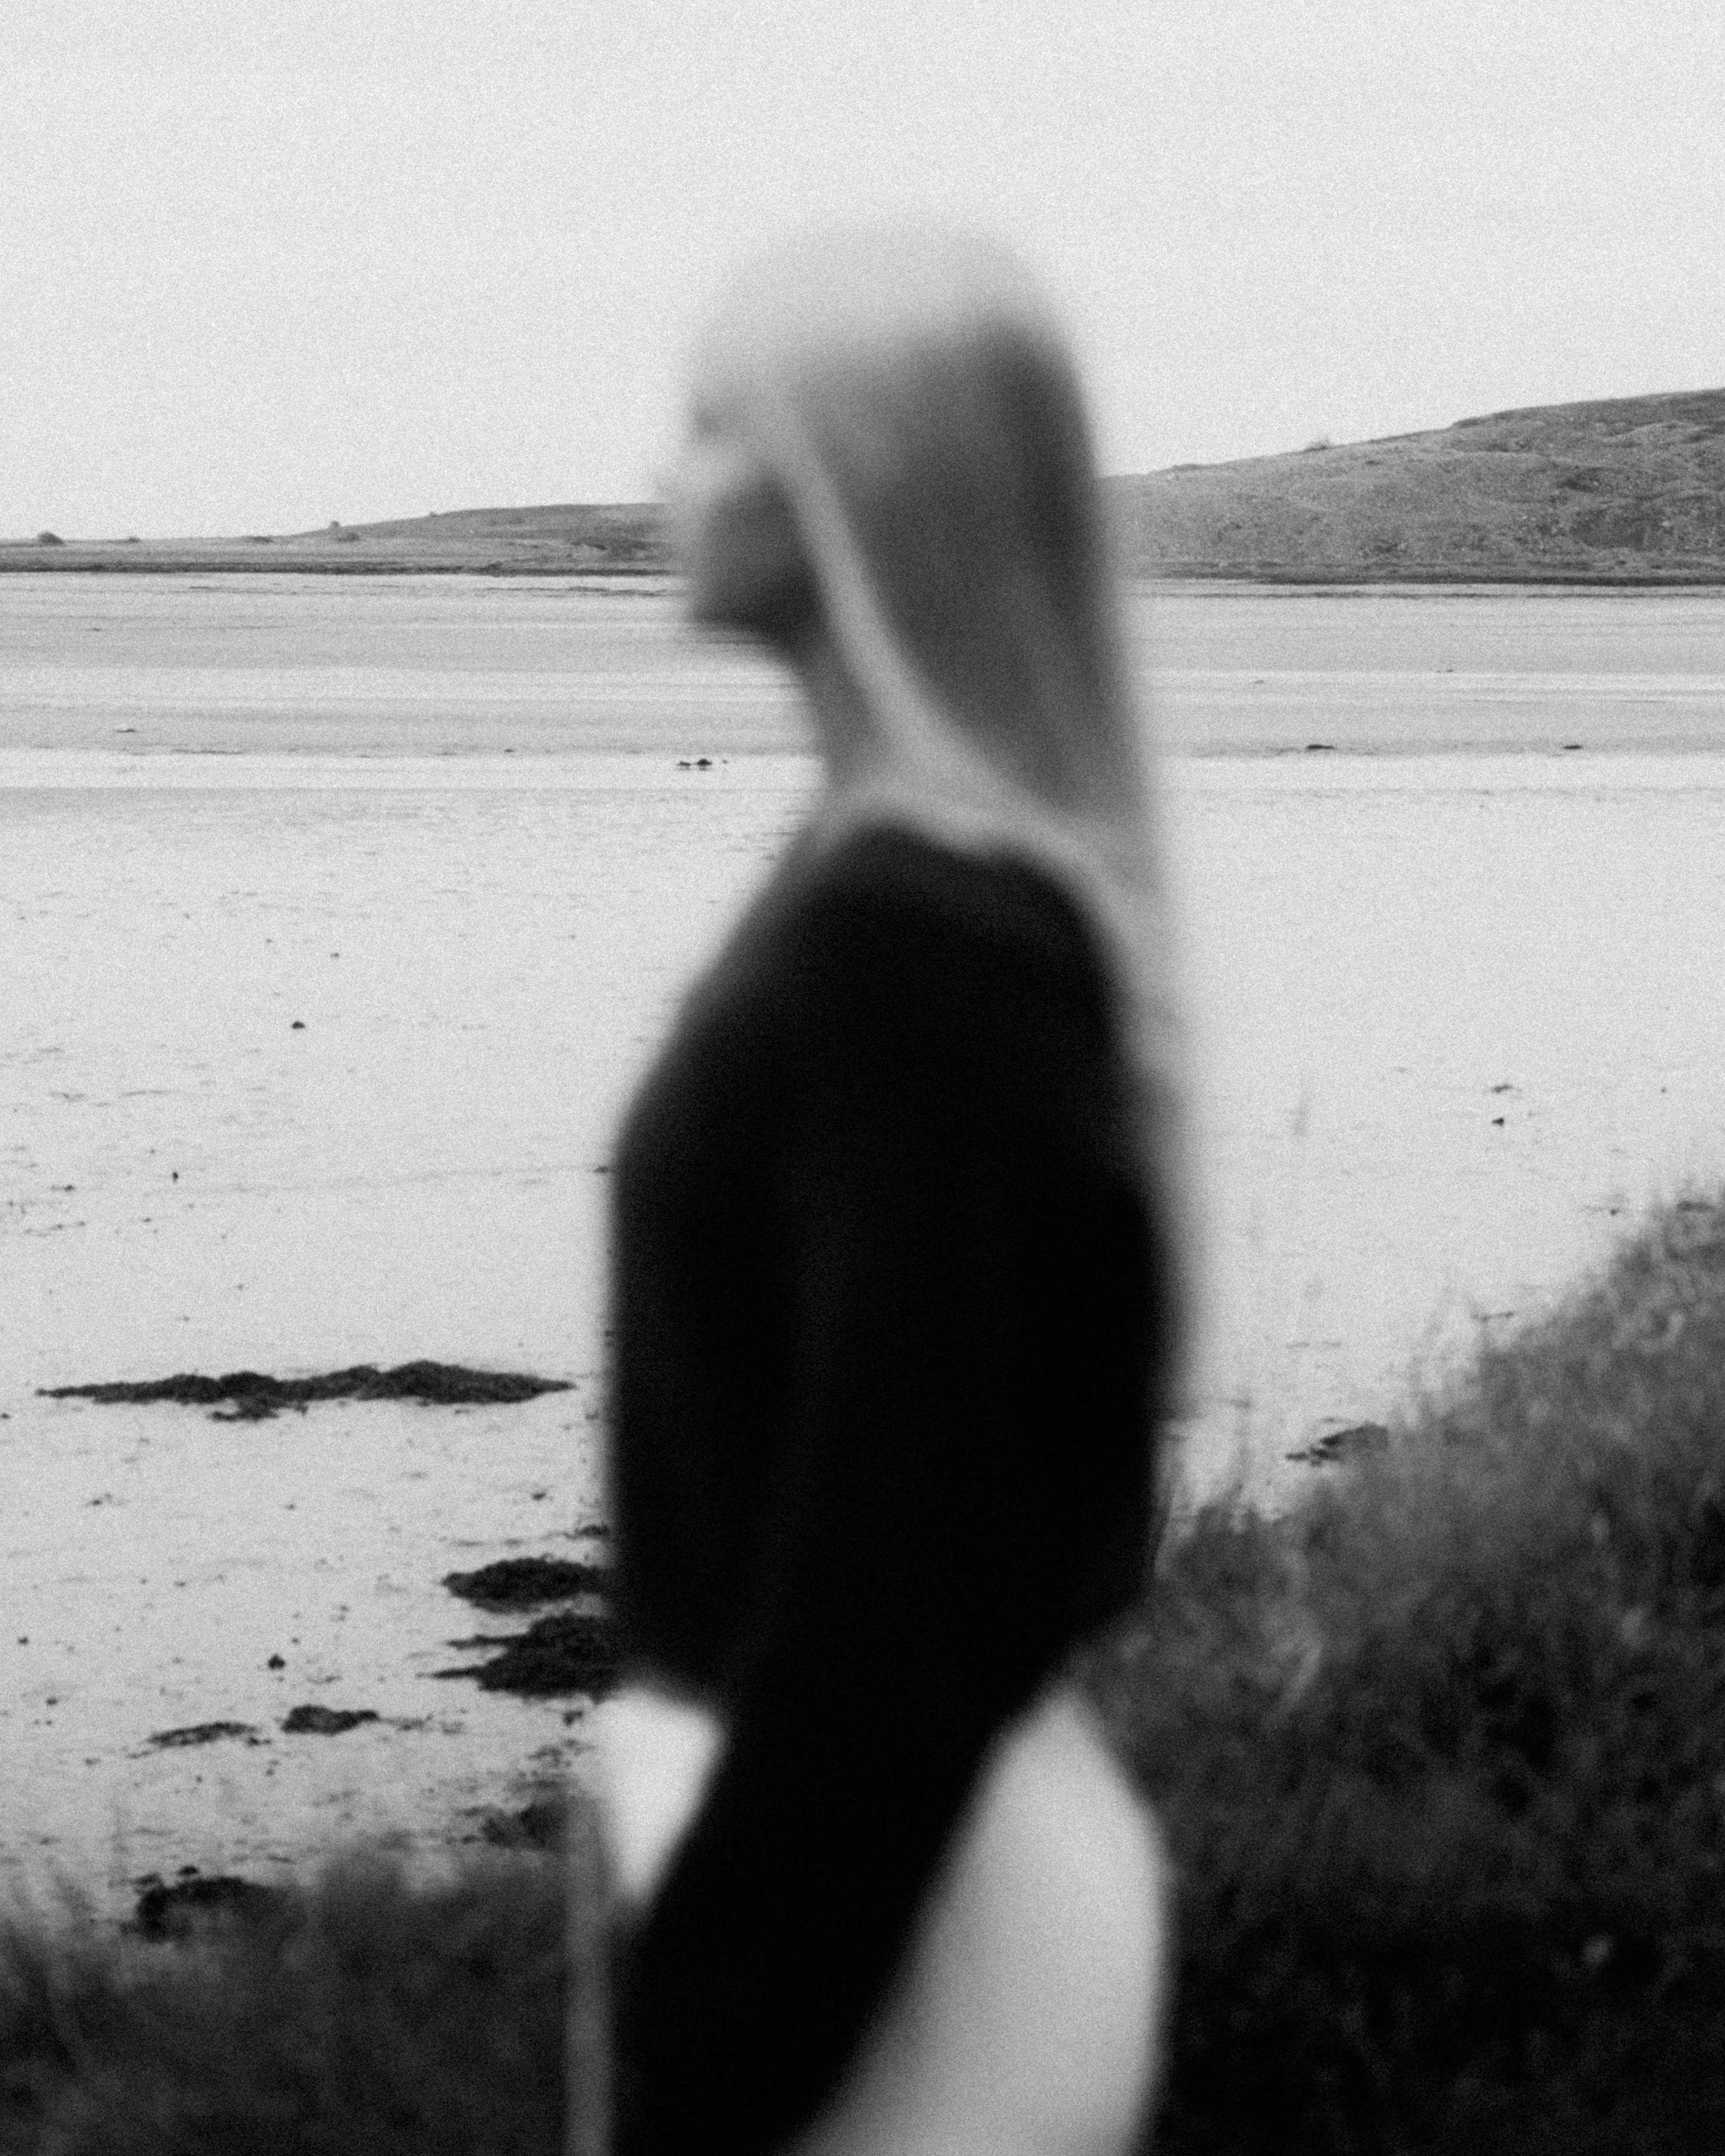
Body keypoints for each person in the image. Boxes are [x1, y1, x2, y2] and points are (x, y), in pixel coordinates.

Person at [592, 224, 1185, 2156]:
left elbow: (897, 1575)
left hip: (894, 1929)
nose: (663, 480)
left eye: (712, 428)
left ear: (854, 488)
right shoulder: (920, 892)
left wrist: (708, 2035)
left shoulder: (911, 945)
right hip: (915, 1880)